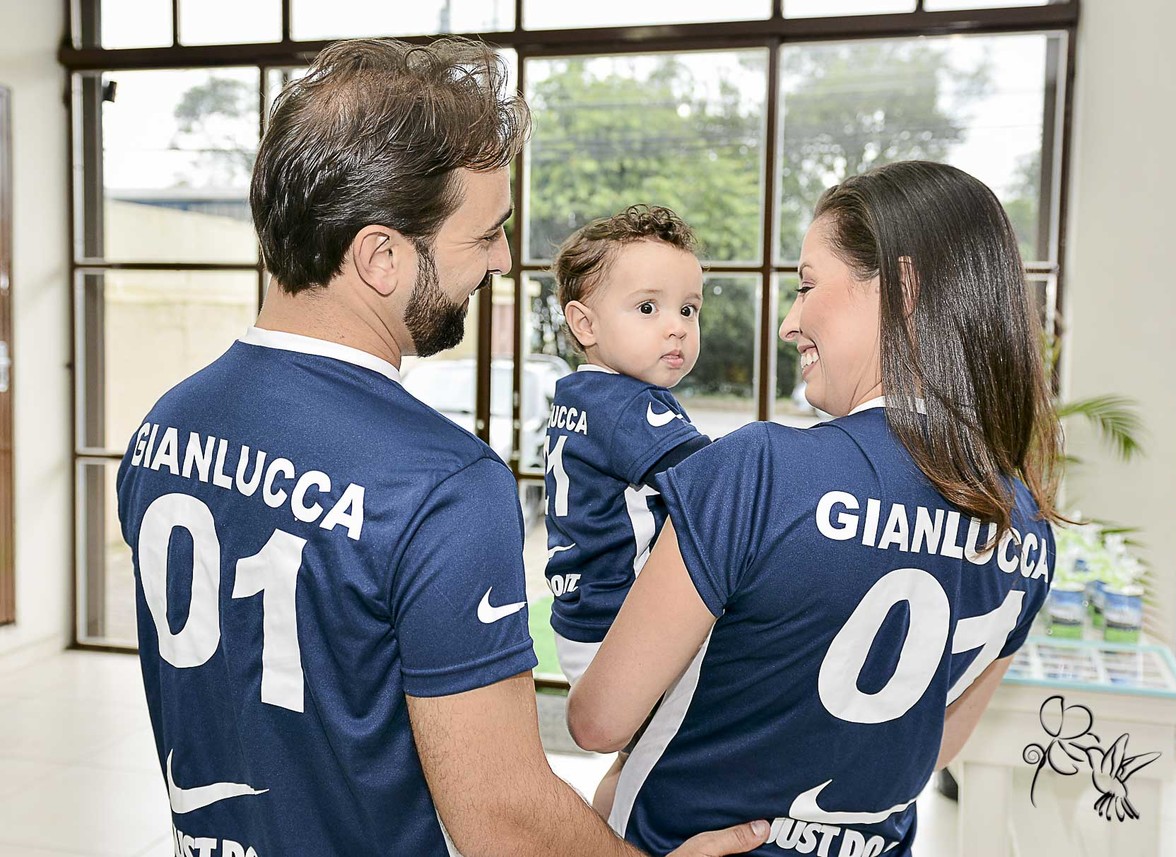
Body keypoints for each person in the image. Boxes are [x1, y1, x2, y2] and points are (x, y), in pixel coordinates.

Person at [115, 38, 767, 857]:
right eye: (485, 234)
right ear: (381, 256)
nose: (502, 259)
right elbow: (501, 813)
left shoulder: (164, 426)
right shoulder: (442, 484)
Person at [568, 160, 1063, 856]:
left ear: (902, 290)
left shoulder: (760, 471)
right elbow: (937, 740)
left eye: (806, 286)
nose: (789, 324)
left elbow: (597, 721)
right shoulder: (1029, 525)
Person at [544, 204, 712, 812]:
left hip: (583, 617)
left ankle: (606, 830)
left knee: (639, 761)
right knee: (682, 756)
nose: (676, 328)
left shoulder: (580, 395)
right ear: (584, 324)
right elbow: (718, 483)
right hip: (622, 623)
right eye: (648, 308)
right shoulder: (628, 407)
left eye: (688, 309)